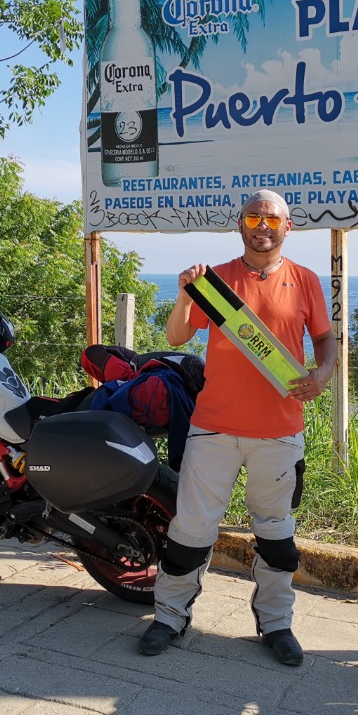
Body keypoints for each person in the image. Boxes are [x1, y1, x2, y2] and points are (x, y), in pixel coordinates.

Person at [138, 189, 337, 665]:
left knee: (276, 533)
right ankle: (168, 615)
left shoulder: (306, 281)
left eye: (272, 218)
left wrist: (323, 375)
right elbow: (177, 336)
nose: (262, 226)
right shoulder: (216, 281)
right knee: (190, 528)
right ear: (240, 225)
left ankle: (276, 624)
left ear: (288, 227)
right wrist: (185, 293)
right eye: (253, 217)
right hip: (214, 428)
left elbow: (326, 340)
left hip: (280, 431)